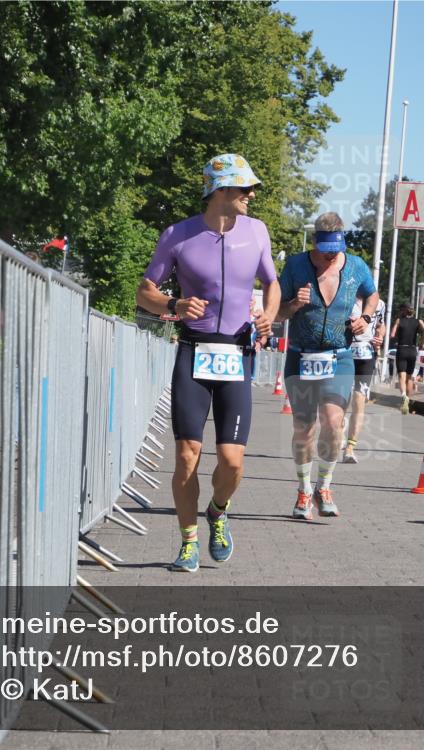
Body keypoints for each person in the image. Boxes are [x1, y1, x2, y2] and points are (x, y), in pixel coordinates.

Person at [136, 154, 279, 572]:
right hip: (193, 350)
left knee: (232, 461)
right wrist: (175, 303)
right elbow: (144, 292)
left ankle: (218, 511)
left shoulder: (257, 232)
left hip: (236, 352)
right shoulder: (178, 235)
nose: (251, 195)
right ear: (220, 191)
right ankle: (188, 542)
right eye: (244, 188)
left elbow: (272, 283)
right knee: (186, 454)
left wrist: (269, 314)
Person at [278, 212, 378, 519]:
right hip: (300, 356)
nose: (330, 254)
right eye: (325, 248)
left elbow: (372, 295)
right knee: (304, 428)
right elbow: (278, 311)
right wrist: (294, 304)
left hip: (339, 356)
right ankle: (304, 490)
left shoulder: (356, 266)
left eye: (335, 247)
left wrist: (365, 319)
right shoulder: (295, 266)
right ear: (315, 241)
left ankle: (324, 485)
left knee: (334, 423)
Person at [343, 296, 386, 463]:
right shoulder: (345, 299)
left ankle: (350, 448)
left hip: (366, 357)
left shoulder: (380, 304)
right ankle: (338, 435)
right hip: (344, 354)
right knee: (341, 400)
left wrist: (379, 337)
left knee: (359, 401)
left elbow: (381, 326)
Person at [390, 304, 424, 414]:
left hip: (402, 349)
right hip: (412, 350)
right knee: (410, 378)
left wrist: (396, 330)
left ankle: (403, 397)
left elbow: (392, 334)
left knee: (402, 376)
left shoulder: (399, 320)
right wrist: (421, 343)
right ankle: (409, 403)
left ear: (403, 311)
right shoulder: (418, 321)